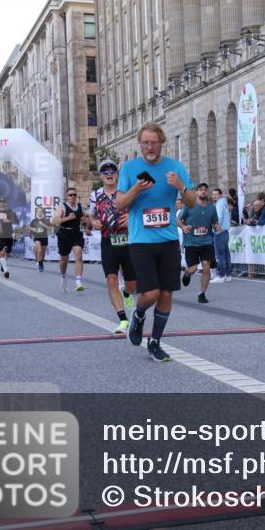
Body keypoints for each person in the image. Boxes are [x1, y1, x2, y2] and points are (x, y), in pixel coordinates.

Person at [114, 122, 196, 362]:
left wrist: (181, 187)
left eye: (154, 142)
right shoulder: (130, 168)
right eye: (145, 143)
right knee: (151, 292)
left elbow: (191, 202)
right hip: (141, 241)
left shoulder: (175, 167)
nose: (149, 147)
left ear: (162, 143)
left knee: (167, 294)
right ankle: (138, 314)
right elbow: (119, 204)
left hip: (168, 239)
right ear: (140, 144)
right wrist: (136, 190)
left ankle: (155, 342)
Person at [89, 159, 138, 334]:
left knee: (132, 286)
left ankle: (127, 293)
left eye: (112, 172)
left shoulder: (125, 192)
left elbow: (138, 211)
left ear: (117, 175)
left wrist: (132, 218)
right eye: (105, 172)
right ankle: (123, 320)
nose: (109, 175)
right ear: (101, 176)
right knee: (111, 279)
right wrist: (93, 222)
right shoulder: (95, 195)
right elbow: (91, 215)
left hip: (128, 241)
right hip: (108, 240)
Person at [178, 182, 220, 304]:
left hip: (206, 241)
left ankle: (202, 293)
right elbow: (178, 220)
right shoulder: (189, 205)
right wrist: (184, 227)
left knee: (206, 267)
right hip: (191, 242)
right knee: (193, 268)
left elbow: (214, 222)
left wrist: (216, 226)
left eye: (205, 190)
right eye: (200, 189)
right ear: (196, 192)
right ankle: (187, 274)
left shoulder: (211, 207)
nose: (203, 191)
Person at [52, 188, 87, 291]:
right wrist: (67, 218)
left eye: (75, 195)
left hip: (76, 233)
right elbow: (54, 220)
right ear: (66, 196)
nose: (73, 197)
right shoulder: (62, 207)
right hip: (64, 234)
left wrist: (86, 225)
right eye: (70, 195)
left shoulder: (81, 207)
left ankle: (78, 281)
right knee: (64, 260)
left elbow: (87, 218)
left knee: (79, 256)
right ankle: (63, 276)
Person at [0, 200, 18, 279]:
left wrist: (8, 221)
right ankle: (6, 271)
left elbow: (16, 221)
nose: (2, 203)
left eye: (4, 201)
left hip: (9, 234)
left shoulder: (10, 212)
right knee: (1, 252)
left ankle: (3, 265)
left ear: (6, 203)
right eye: (0, 201)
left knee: (8, 253)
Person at [211, 187, 233, 282]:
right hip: (225, 231)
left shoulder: (219, 204)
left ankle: (221, 275)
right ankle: (227, 275)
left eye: (216, 194)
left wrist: (216, 226)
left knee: (220, 254)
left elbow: (219, 217)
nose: (214, 196)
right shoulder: (224, 203)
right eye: (213, 194)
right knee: (226, 253)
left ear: (220, 195)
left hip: (220, 231)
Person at [29, 206, 52, 272]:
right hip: (36, 237)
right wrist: (32, 230)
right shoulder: (34, 220)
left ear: (43, 212)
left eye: (41, 211)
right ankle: (40, 265)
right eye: (38, 211)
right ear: (36, 212)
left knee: (43, 253)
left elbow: (50, 229)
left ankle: (41, 262)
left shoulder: (46, 220)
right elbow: (30, 227)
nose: (40, 212)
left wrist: (43, 225)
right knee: (39, 251)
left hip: (44, 237)